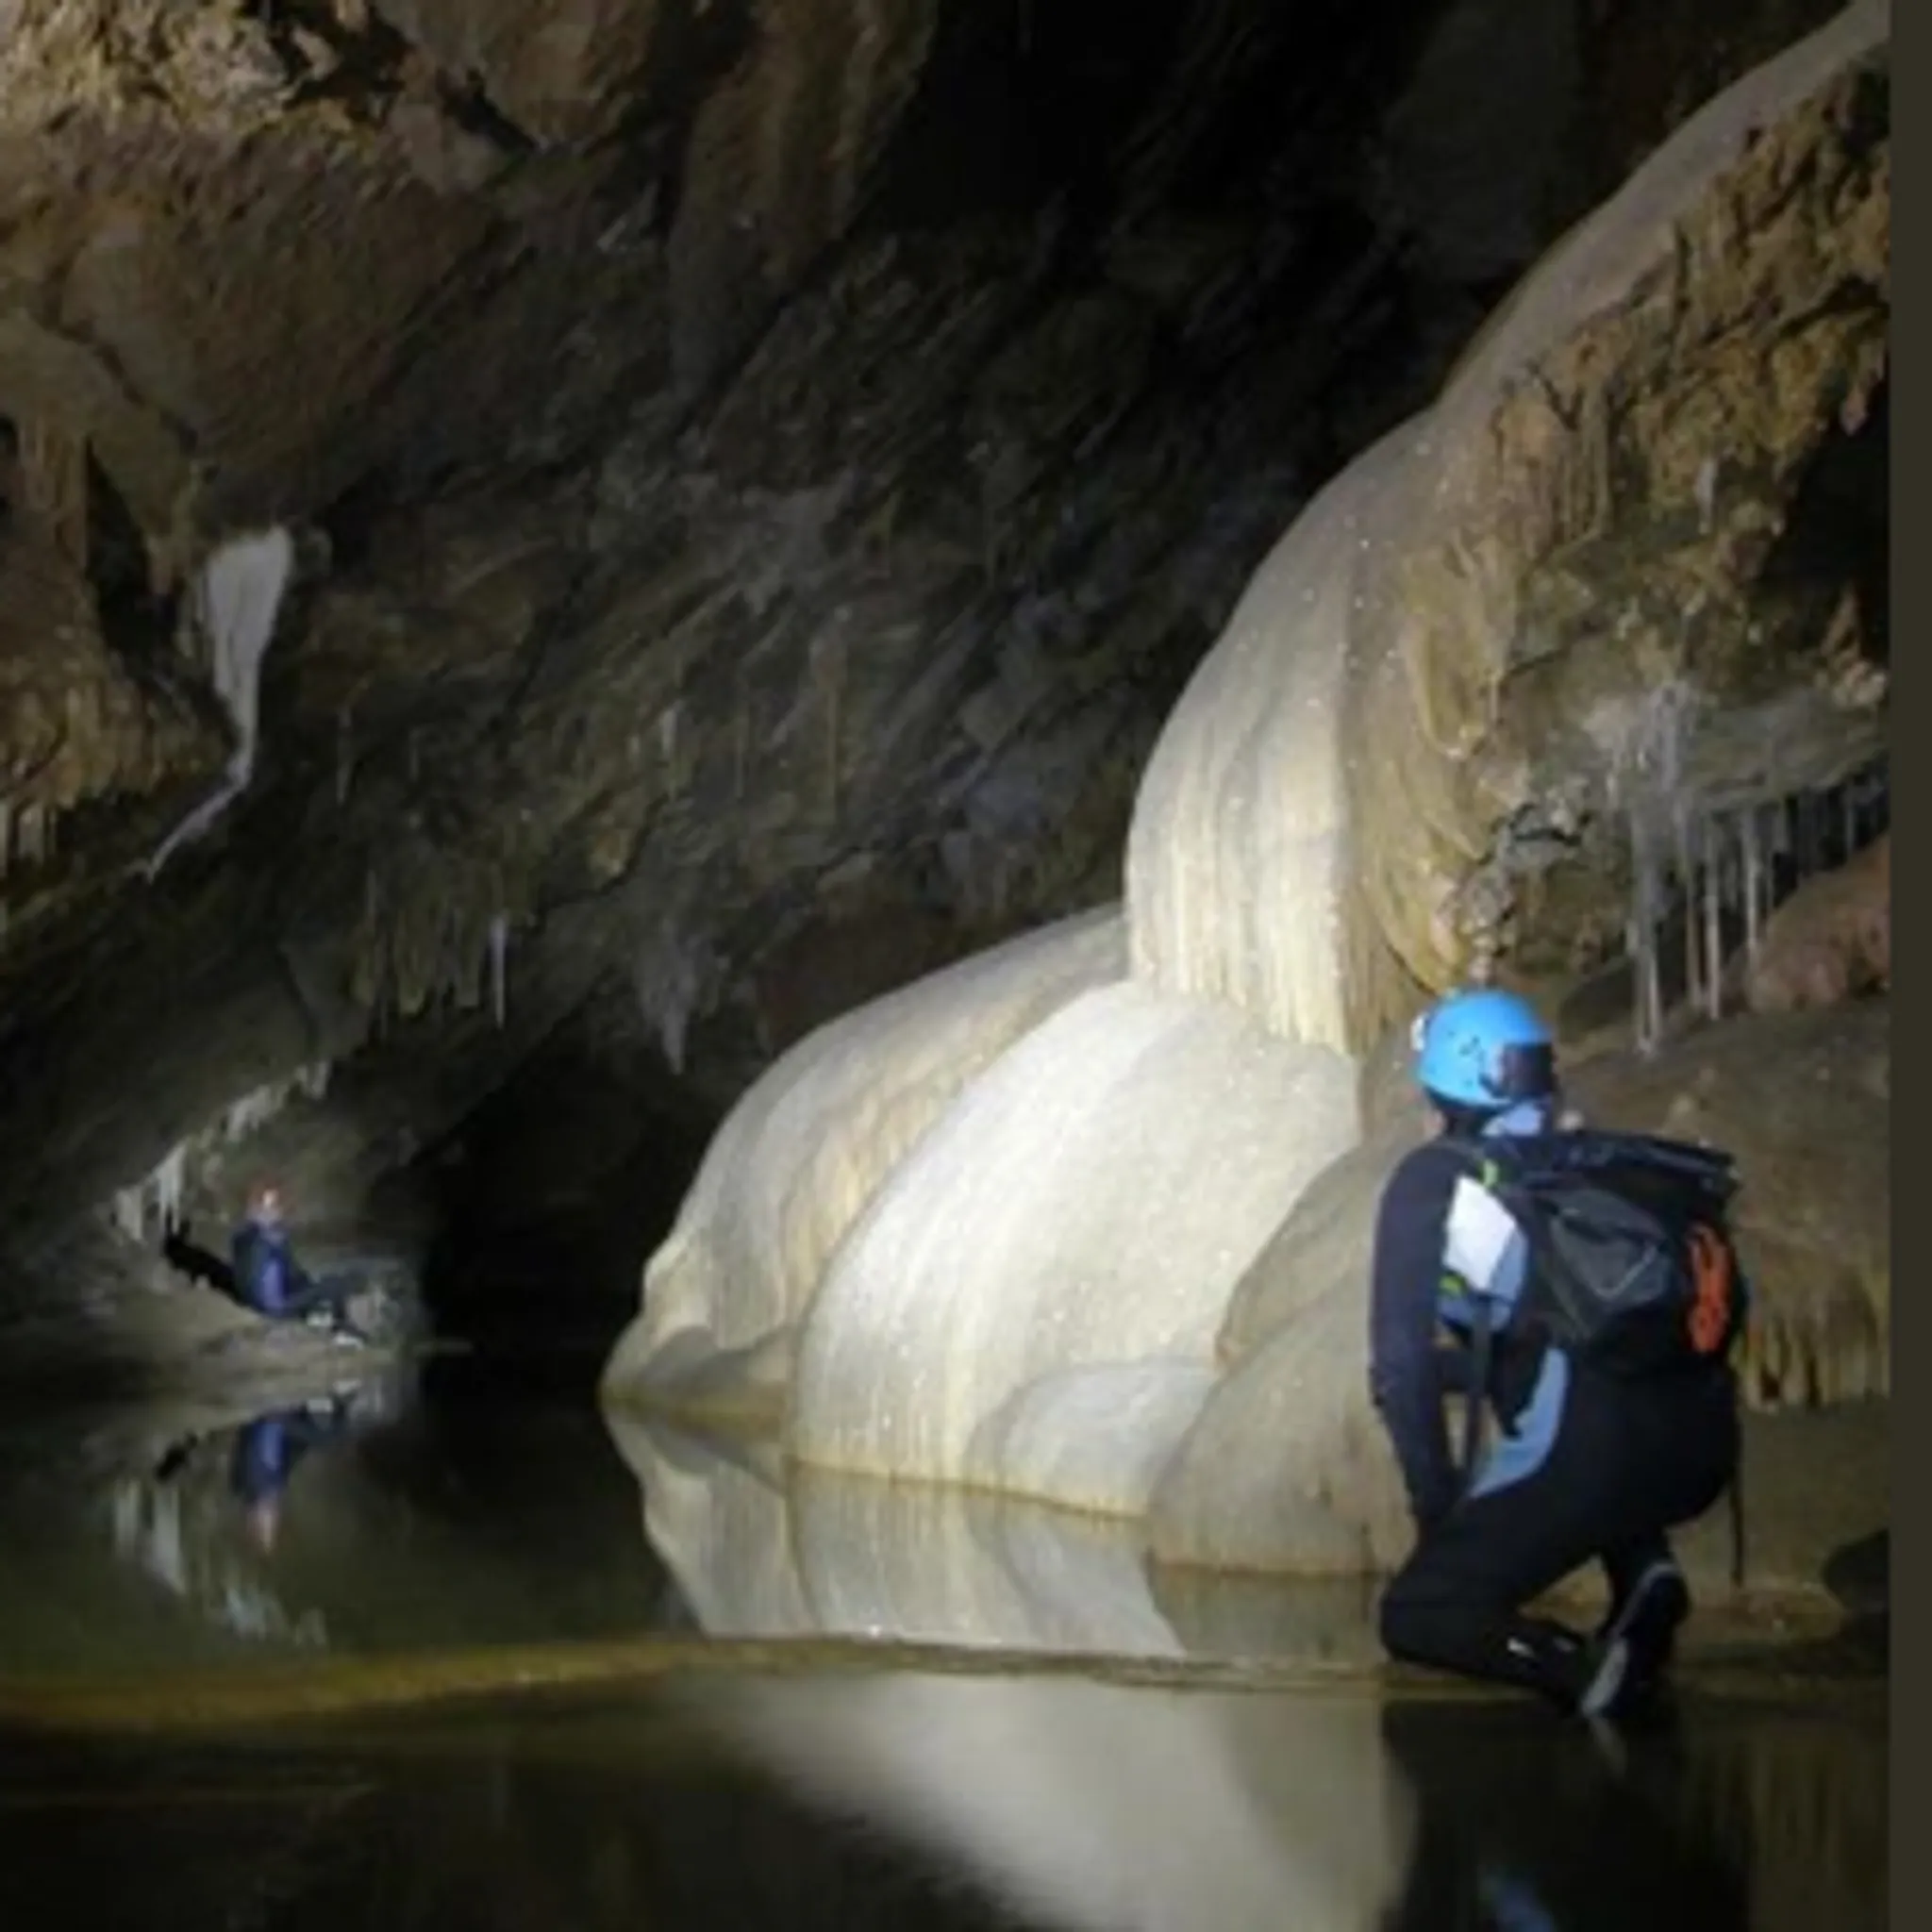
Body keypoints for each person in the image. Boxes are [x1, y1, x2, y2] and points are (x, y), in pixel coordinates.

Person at [1368, 987, 1741, 1723]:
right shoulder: (1591, 1162)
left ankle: (1587, 1677)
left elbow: (1398, 1368)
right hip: (1696, 1447)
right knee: (1541, 1364)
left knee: (1420, 1613)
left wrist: (1437, 1516)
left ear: (1448, 1081)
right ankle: (1646, 1572)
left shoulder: (1433, 1180)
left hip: (1591, 1454)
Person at [230, 1182, 366, 1341]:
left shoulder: (242, 1237)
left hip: (257, 1302)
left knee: (310, 1284)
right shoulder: (271, 1239)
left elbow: (287, 1274)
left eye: (275, 1206)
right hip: (276, 1307)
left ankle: (312, 1312)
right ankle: (341, 1328)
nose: (276, 1212)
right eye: (270, 1207)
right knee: (334, 1284)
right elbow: (290, 1272)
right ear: (255, 1210)